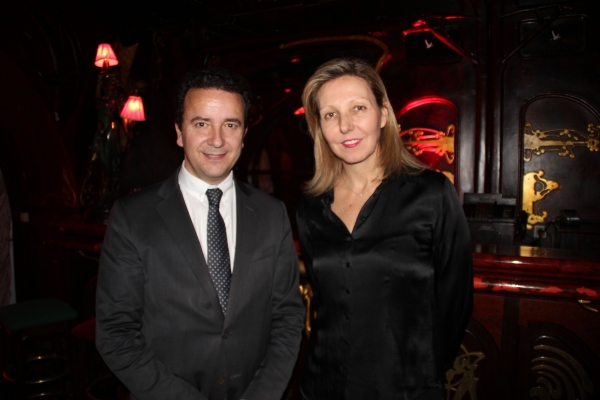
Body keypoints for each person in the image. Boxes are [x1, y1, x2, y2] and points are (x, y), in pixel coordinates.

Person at [96, 67, 305, 400]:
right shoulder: (133, 218)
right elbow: (116, 334)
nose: (217, 140)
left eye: (230, 125)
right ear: (179, 132)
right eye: (202, 123)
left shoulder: (272, 214)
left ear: (243, 133)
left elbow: (288, 316)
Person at [296, 58, 473, 400]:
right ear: (320, 128)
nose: (345, 126)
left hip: (404, 388)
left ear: (383, 114)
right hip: (324, 386)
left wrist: (422, 374)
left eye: (358, 108)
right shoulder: (310, 206)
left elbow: (456, 301)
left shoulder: (432, 193)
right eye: (330, 114)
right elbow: (324, 301)